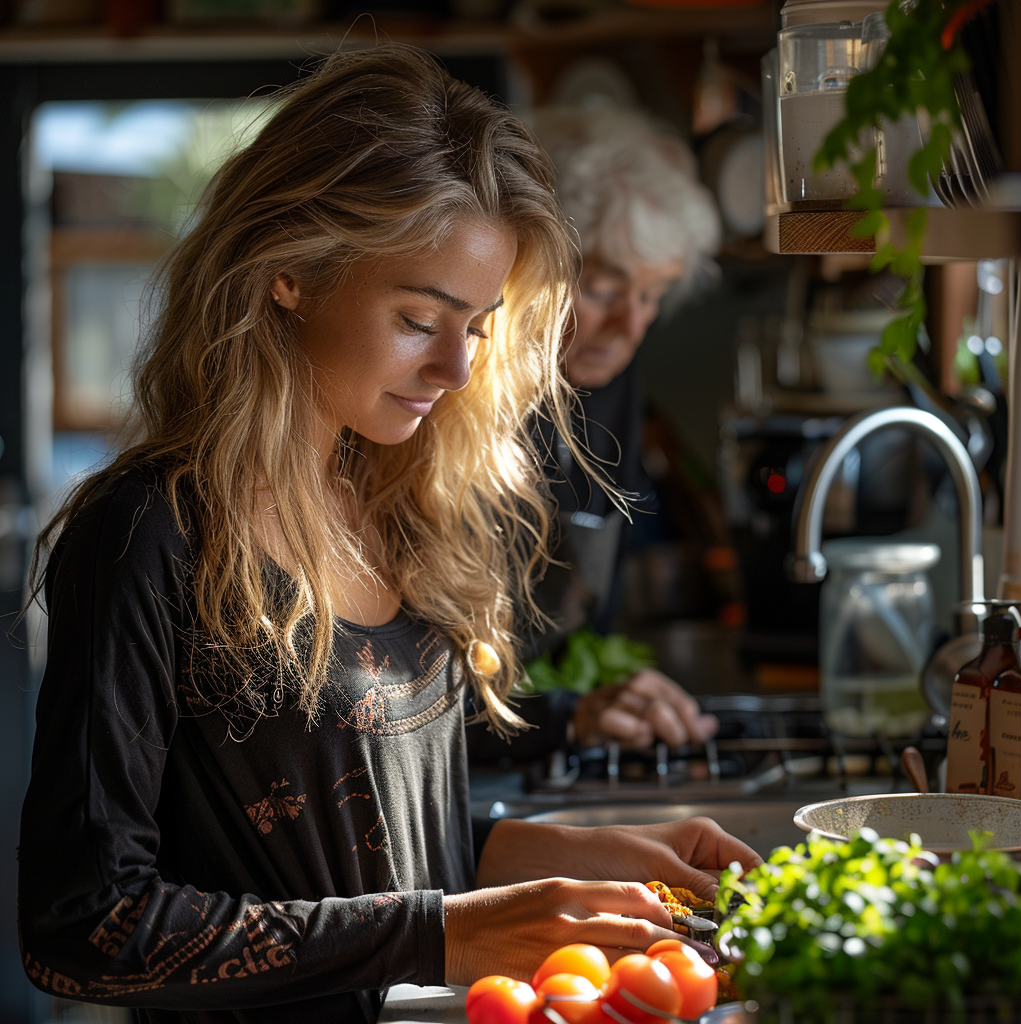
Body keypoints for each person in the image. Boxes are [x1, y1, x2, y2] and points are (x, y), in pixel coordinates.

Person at [18, 45, 759, 1024]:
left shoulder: (402, 502)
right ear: (288, 273)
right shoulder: (148, 537)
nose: (456, 367)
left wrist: (547, 859)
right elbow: (87, 927)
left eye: (480, 326)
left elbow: (367, 845)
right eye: (420, 318)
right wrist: (448, 931)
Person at [469, 105, 723, 762]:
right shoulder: (458, 389)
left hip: (540, 737)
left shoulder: (613, 375)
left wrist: (599, 702)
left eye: (653, 295)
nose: (629, 329)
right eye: (607, 289)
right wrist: (566, 717)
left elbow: (591, 602)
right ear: (530, 266)